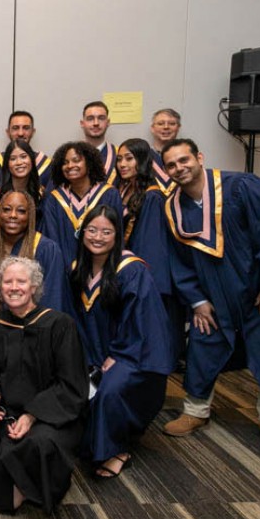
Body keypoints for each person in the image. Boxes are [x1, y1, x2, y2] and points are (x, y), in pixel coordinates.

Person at [160, 139, 260, 452]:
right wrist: (197, 301)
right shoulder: (173, 208)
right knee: (203, 346)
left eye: (184, 160)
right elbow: (178, 261)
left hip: (258, 294)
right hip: (212, 297)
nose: (179, 168)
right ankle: (196, 411)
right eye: (171, 165)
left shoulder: (244, 188)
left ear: (199, 157)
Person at [70, 205, 171, 479]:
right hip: (92, 350)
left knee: (111, 389)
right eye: (92, 230)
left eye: (106, 231)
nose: (98, 237)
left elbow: (142, 319)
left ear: (118, 235)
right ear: (82, 233)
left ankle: (117, 449)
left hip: (133, 353)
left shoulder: (132, 270)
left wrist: (119, 354)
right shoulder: (78, 268)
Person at [0, 257, 87, 513]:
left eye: (21, 281)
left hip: (53, 416)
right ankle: (26, 484)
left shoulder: (59, 324)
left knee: (39, 444)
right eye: (7, 281)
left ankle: (29, 485)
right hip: (9, 413)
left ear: (34, 287)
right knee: (3, 445)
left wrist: (32, 415)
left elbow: (71, 384)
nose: (14, 287)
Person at [116, 138, 182, 364]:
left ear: (143, 160)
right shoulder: (127, 190)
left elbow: (150, 245)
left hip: (145, 275)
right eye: (119, 159)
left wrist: (143, 283)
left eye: (129, 158)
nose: (122, 164)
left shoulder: (152, 196)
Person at [0, 190, 70, 313]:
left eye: (21, 211)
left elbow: (52, 301)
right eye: (6, 209)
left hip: (30, 327)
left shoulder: (47, 249)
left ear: (30, 216)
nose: (13, 215)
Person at [40, 142, 123, 270]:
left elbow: (116, 237)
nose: (70, 166)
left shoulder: (109, 194)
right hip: (64, 272)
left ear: (89, 163)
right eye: (65, 162)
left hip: (101, 271)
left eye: (76, 160)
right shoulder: (54, 199)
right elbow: (52, 239)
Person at [0, 111, 52, 188]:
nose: (20, 133)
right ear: (8, 132)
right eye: (15, 128)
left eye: (26, 128)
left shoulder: (47, 165)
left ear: (33, 132)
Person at [0, 138, 43, 213]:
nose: (19, 162)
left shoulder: (40, 194)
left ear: (32, 160)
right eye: (13, 159)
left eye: (23, 157)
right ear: (7, 164)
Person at [80, 101, 117, 185]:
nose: (96, 123)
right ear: (82, 124)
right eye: (90, 118)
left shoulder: (119, 156)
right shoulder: (69, 157)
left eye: (101, 118)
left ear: (108, 122)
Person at [149, 108, 182, 195]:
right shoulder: (144, 156)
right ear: (152, 128)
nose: (166, 127)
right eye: (160, 123)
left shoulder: (187, 157)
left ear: (178, 128)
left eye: (172, 124)